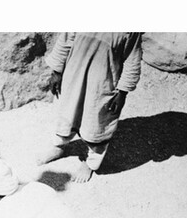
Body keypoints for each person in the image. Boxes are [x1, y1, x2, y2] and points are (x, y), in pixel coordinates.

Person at [37, 32, 143, 183]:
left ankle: (90, 163)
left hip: (102, 84)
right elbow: (66, 39)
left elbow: (132, 60)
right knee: (67, 113)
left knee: (97, 123)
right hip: (74, 75)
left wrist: (123, 92)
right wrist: (57, 71)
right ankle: (59, 147)